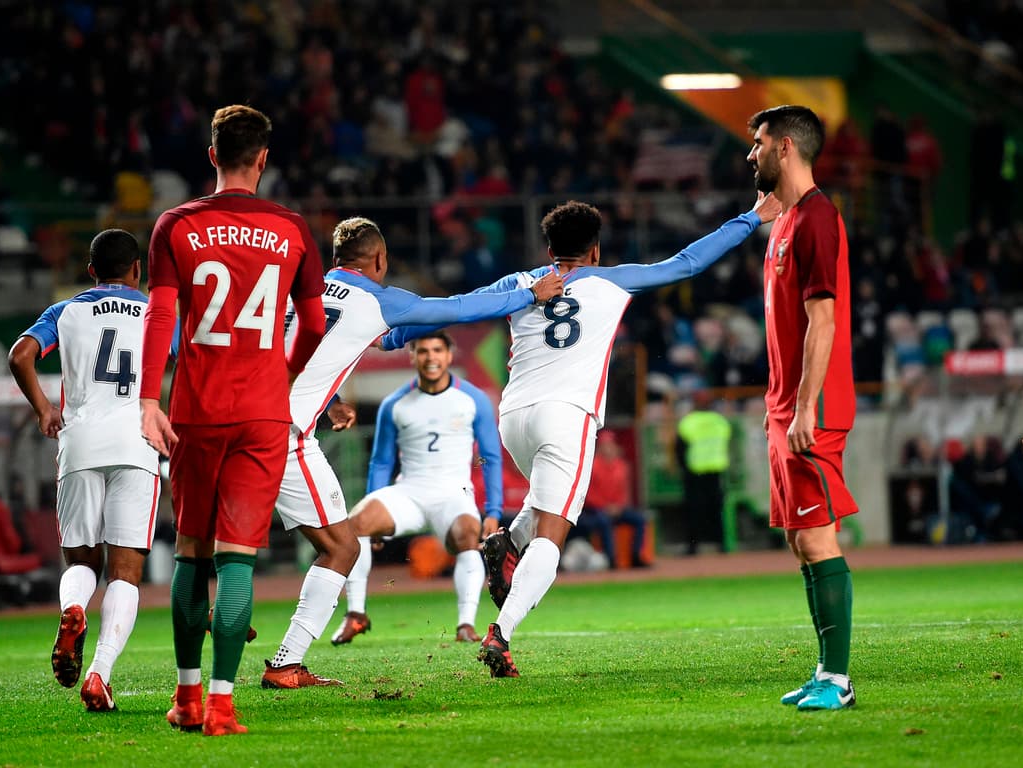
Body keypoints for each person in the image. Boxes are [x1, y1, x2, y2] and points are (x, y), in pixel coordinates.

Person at [417, 192, 781, 678]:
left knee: (547, 504)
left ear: (550, 251)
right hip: (565, 417)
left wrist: (395, 334)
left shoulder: (521, 283)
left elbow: (461, 307)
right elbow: (688, 263)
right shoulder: (613, 280)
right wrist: (753, 217)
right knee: (554, 535)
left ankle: (506, 542)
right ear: (595, 250)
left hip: (515, 416)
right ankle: (501, 634)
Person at [263, 217, 560, 683]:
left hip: (239, 423)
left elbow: (290, 353)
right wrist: (526, 294)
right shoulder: (380, 301)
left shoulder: (300, 295)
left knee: (219, 548)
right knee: (341, 546)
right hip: (285, 436)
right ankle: (287, 662)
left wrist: (332, 398)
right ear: (380, 261)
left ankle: (198, 670)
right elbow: (458, 308)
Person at [139, 105, 330, 736]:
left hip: (196, 411)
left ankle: (187, 698)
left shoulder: (177, 224)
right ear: (264, 159)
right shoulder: (293, 229)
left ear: (212, 155)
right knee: (238, 558)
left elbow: (161, 317)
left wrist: (148, 401)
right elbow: (315, 325)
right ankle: (223, 704)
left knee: (191, 553)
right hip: (263, 412)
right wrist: (287, 373)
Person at [7, 229, 160, 713]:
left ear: (91, 270)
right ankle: (100, 674)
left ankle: (73, 609)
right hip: (137, 442)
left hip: (79, 441)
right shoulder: (159, 312)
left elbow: (20, 355)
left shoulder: (66, 311)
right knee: (127, 573)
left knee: (80, 562)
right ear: (137, 270)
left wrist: (43, 410)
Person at [748, 105, 859, 712]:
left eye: (759, 143)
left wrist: (805, 408)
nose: (751, 154)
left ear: (785, 147)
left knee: (817, 539)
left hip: (809, 408)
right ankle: (824, 670)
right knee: (799, 540)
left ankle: (838, 681)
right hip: (784, 406)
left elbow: (824, 319)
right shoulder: (786, 221)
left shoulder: (817, 218)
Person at [331, 329, 512, 646]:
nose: (431, 358)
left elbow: (490, 457)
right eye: (423, 351)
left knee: (469, 537)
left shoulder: (473, 400)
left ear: (449, 355)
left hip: (454, 495)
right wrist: (375, 500)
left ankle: (465, 625)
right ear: (412, 355)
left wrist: (493, 512)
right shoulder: (394, 403)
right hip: (409, 493)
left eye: (437, 351)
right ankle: (356, 615)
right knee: (355, 523)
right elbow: (382, 462)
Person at [573, 431, 647, 569]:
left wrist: (618, 506)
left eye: (610, 445)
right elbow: (588, 495)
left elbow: (625, 492)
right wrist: (605, 507)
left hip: (617, 509)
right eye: (605, 445)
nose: (608, 449)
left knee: (640, 519)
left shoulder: (621, 466)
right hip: (596, 510)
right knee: (603, 521)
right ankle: (611, 560)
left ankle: (636, 556)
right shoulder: (592, 466)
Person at [675, 391, 732, 555]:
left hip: (694, 472)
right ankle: (722, 545)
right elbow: (727, 442)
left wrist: (683, 468)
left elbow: (679, 449)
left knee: (693, 511)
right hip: (716, 470)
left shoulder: (688, 422)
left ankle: (693, 546)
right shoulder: (720, 421)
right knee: (717, 510)